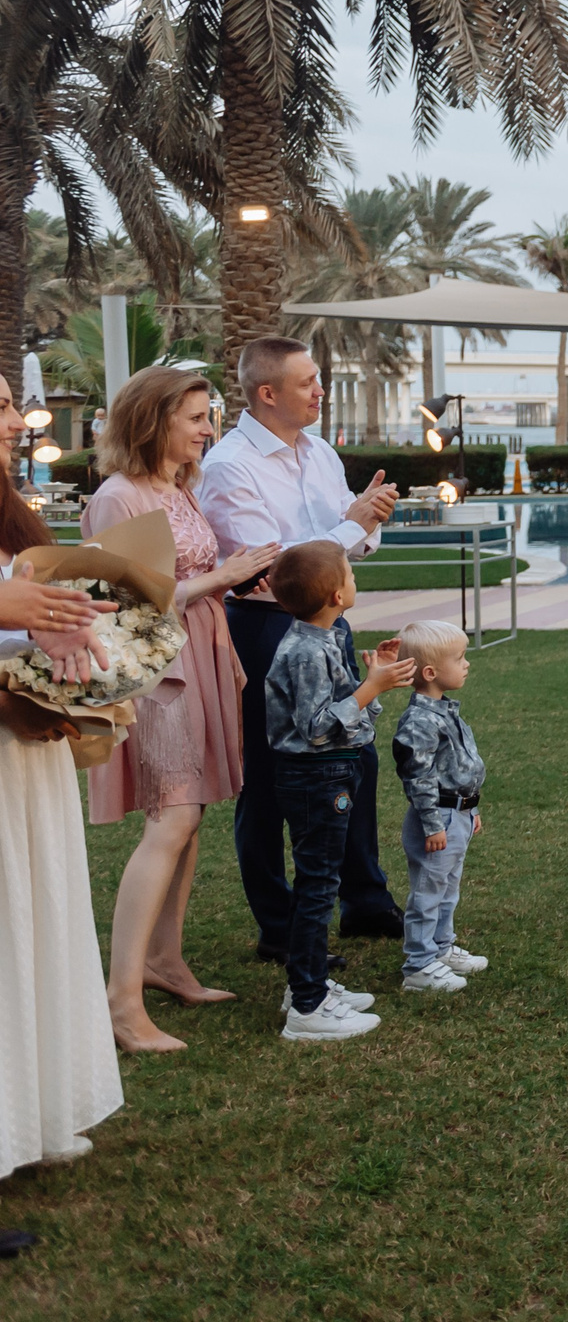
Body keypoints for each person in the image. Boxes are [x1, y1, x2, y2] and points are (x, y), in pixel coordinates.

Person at [85, 367, 281, 1053]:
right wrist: (222, 577)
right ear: (154, 420)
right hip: (158, 670)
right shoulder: (119, 497)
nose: (209, 428)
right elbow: (125, 600)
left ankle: (166, 962)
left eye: (209, 415)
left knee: (190, 818)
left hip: (197, 655)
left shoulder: (177, 487)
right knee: (170, 817)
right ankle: (121, 1001)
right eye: (196, 418)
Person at [201, 336, 401, 958]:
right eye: (308, 382)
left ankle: (364, 899)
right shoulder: (230, 465)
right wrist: (352, 523)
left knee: (356, 756)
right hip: (263, 629)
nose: (321, 391)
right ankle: (279, 925)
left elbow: (342, 549)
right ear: (267, 393)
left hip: (330, 621)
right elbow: (275, 569)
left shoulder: (318, 451)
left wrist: (365, 521)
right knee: (268, 776)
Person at [0, 370, 128, 1179]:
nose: (15, 418)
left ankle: (25, 1116)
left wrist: (64, 637)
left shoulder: (11, 503)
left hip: (21, 747)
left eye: (11, 402)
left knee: (31, 919)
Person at [265, 541, 412, 1041]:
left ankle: (307, 985)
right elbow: (316, 727)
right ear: (336, 593)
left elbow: (352, 721)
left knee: (319, 882)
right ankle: (307, 1005)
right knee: (318, 886)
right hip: (315, 777)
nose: (354, 578)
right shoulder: (307, 650)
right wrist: (372, 689)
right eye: (350, 572)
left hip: (333, 771)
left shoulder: (327, 638)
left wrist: (373, 682)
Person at [391, 621, 488, 995]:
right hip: (439, 818)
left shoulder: (445, 711)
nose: (466, 664)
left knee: (448, 888)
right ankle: (418, 964)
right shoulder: (420, 721)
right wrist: (433, 824)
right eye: (459, 658)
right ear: (430, 672)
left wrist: (472, 809)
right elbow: (418, 777)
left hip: (457, 814)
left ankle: (441, 949)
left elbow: (458, 768)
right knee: (428, 892)